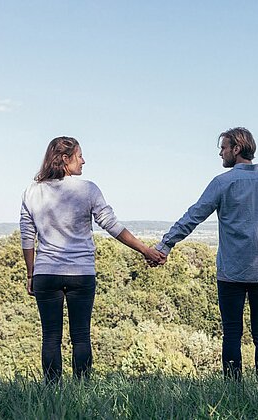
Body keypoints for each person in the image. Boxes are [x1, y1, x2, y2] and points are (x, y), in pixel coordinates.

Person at [20, 136, 163, 383]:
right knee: (81, 336)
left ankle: (52, 392)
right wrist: (144, 250)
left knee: (51, 337)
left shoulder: (32, 191)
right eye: (79, 155)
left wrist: (31, 273)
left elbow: (26, 235)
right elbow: (112, 226)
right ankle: (82, 391)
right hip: (81, 273)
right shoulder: (88, 189)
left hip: (46, 273)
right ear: (65, 159)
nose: (84, 161)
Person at [155, 127, 258, 379]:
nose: (220, 153)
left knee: (231, 332)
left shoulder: (222, 183)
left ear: (236, 149)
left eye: (223, 148)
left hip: (231, 272)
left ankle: (233, 388)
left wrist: (166, 245)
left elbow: (193, 216)